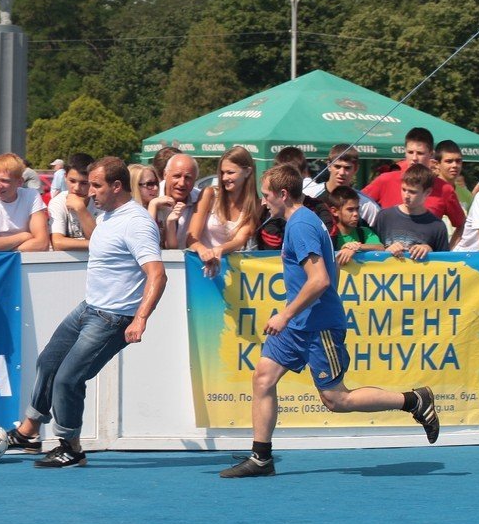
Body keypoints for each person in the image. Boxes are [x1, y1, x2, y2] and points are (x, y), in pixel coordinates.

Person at [220, 163, 440, 478]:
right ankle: (261, 457)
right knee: (263, 378)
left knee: (336, 399)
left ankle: (413, 401)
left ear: (283, 194)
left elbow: (320, 280)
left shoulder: (301, 226)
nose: (263, 202)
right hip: (298, 325)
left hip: (317, 324)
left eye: (266, 195)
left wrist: (285, 313)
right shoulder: (299, 220)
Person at [6, 157, 166, 467]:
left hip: (114, 317)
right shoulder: (107, 215)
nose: (89, 192)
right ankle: (29, 430)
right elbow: (99, 241)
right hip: (89, 307)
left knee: (69, 379)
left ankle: (72, 447)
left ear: (116, 187)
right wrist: (81, 211)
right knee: (48, 362)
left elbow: (157, 274)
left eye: (96, 185)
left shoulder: (137, 222)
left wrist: (140, 319)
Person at [363, 127, 465, 248]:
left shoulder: (444, 189)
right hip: (387, 262)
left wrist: (444, 253)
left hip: (425, 263)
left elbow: (462, 225)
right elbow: (356, 205)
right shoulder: (385, 180)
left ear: (431, 154)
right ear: (405, 151)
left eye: (420, 153)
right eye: (410, 152)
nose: (414, 158)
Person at [187, 146, 260, 277]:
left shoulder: (256, 204)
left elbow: (240, 240)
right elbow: (191, 238)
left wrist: (219, 250)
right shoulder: (209, 194)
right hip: (201, 267)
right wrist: (203, 250)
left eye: (230, 172)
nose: (224, 177)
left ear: (248, 172)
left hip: (234, 273)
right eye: (222, 172)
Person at [0, 152, 49, 252]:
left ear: (20, 182)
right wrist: (24, 236)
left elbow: (42, 244)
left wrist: (4, 249)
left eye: (4, 181)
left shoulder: (31, 196)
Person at [373, 164, 449, 260]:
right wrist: (386, 250)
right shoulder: (384, 216)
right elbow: (371, 249)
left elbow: (444, 263)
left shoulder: (437, 226)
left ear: (428, 192)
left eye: (413, 192)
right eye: (404, 189)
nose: (406, 196)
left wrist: (430, 250)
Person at [303, 143, 380, 226]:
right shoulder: (309, 194)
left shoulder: (367, 205)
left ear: (356, 168)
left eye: (347, 168)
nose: (341, 173)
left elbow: (377, 236)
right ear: (329, 166)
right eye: (337, 166)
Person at [47, 152, 96, 251]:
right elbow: (58, 243)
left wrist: (80, 209)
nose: (76, 188)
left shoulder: (100, 203)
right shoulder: (58, 202)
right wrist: (96, 244)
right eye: (72, 181)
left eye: (84, 183)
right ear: (65, 177)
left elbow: (96, 239)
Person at [325, 185, 385, 266]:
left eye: (357, 209)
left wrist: (356, 247)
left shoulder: (364, 232)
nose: (356, 214)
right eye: (350, 210)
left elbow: (381, 248)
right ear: (335, 211)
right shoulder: (328, 235)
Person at [154, 153, 199, 249]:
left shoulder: (201, 200)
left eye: (188, 177)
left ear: (195, 179)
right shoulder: (152, 196)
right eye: (177, 176)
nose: (182, 183)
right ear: (165, 174)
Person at [433, 139, 472, 206]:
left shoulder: (467, 195)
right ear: (437, 164)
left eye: (458, 161)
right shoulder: (427, 192)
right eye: (449, 161)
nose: (454, 165)